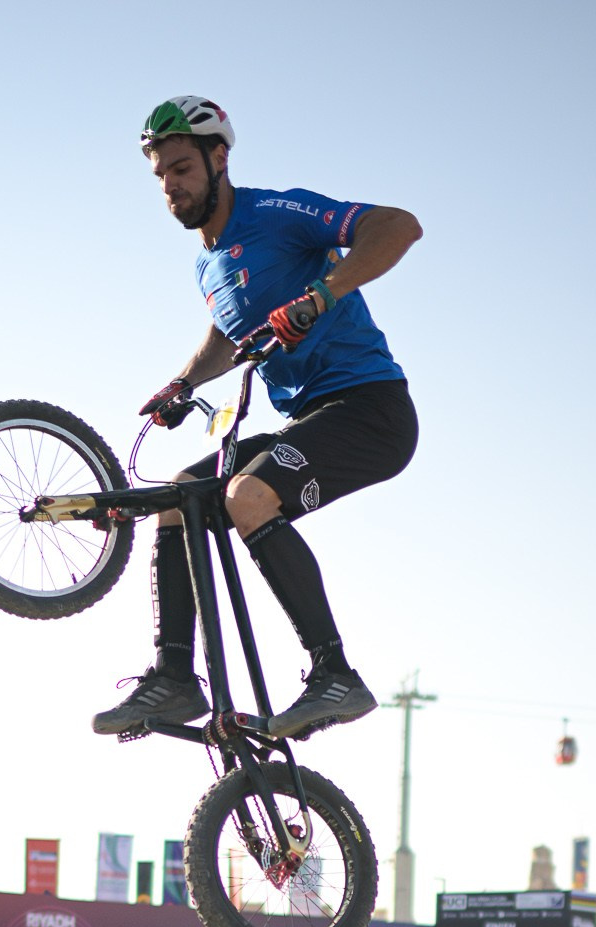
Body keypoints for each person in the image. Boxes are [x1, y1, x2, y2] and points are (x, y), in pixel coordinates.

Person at [94, 97, 420, 744]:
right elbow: (226, 335)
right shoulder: (207, 262)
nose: (171, 186)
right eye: (160, 175)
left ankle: (334, 676)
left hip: (369, 410)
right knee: (175, 498)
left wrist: (321, 294)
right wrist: (183, 384)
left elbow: (399, 225)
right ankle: (176, 677)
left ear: (219, 158)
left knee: (249, 495)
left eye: (182, 168)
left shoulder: (276, 213)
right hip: (307, 418)